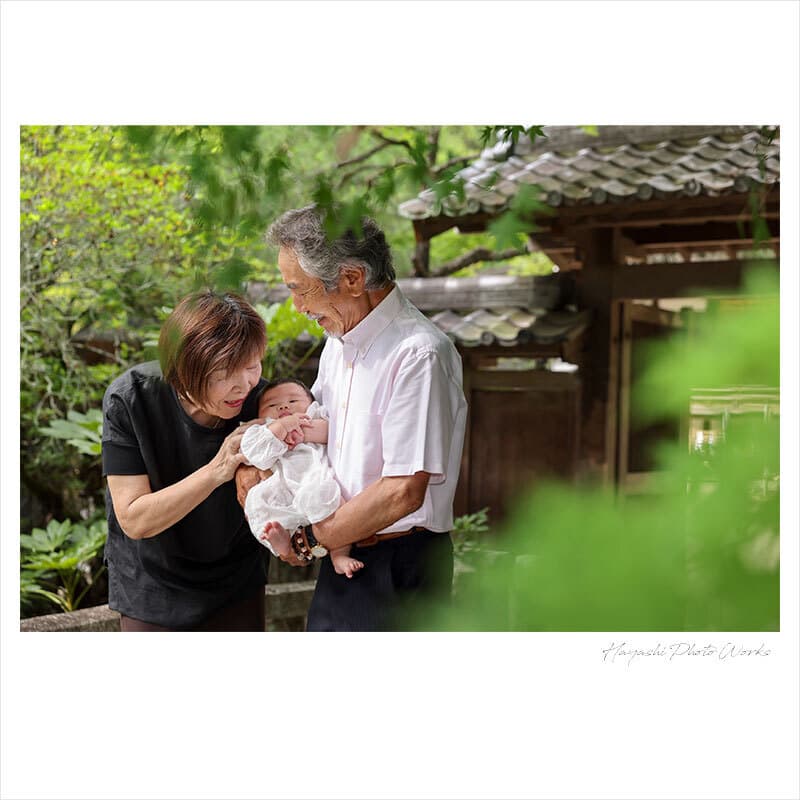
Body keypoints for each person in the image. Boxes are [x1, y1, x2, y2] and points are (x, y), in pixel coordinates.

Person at [236, 204, 467, 631]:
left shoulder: (418, 354)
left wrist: (307, 543)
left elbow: (402, 492)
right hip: (341, 552)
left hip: (399, 565)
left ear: (352, 279)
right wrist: (253, 470)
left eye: (299, 289)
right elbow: (309, 436)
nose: (296, 306)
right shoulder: (338, 344)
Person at [102, 290, 270, 631]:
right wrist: (217, 470)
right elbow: (134, 519)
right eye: (225, 373)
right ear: (184, 366)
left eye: (252, 366)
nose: (243, 386)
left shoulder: (263, 401)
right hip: (151, 584)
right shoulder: (131, 400)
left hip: (236, 582)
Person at [240, 378, 364, 578]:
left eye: (293, 401)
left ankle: (339, 555)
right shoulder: (259, 432)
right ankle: (283, 544)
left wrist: (301, 430)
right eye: (272, 405)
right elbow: (255, 454)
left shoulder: (316, 417)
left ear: (312, 404)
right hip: (281, 489)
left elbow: (334, 434)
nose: (283, 406)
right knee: (259, 507)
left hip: (316, 481)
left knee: (334, 507)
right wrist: (281, 428)